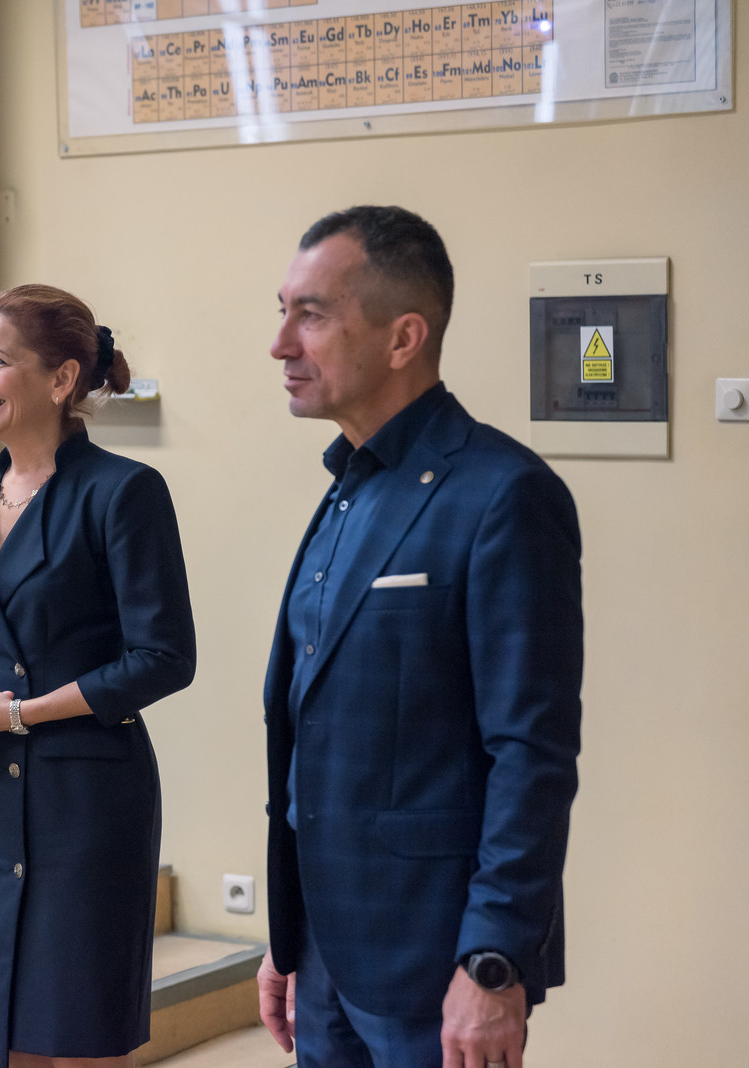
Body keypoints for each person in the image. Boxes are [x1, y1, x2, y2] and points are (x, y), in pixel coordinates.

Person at [256, 205, 582, 1068]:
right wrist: (288, 934)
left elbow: (531, 754)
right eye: (282, 311)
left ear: (404, 338)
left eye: (311, 315)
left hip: (437, 964)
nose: (281, 344)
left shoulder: (503, 495)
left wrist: (495, 961)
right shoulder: (346, 487)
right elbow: (317, 734)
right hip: (327, 954)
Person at [0, 284, 197, 1068]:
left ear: (61, 378)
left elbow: (163, 658)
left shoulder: (124, 491)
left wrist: (18, 714)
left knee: (77, 1036)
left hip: (83, 803)